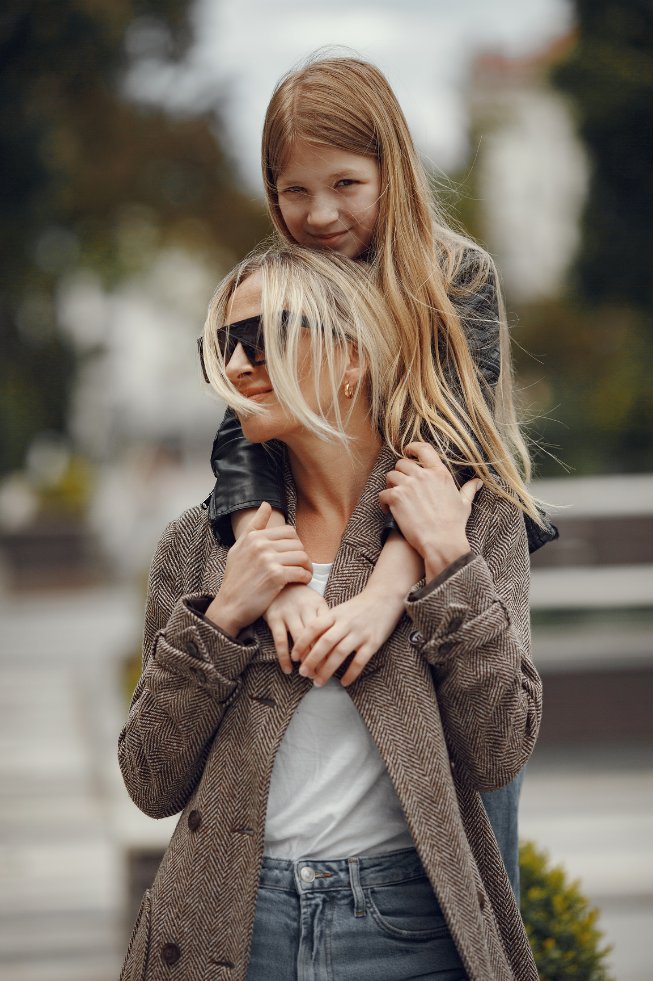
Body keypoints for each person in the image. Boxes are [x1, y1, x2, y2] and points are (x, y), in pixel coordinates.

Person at [118, 243, 542, 980]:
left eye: (262, 337)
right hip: (232, 926)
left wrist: (449, 565)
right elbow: (150, 780)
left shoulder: (472, 522)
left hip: (413, 928)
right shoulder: (200, 541)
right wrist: (220, 621)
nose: (237, 365)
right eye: (221, 346)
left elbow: (497, 751)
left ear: (351, 357)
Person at [204, 54, 557, 899]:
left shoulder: (454, 277)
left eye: (345, 184)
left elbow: (450, 448)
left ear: (391, 170)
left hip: (443, 559)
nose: (320, 214)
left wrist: (385, 592)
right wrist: (276, 570)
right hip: (322, 555)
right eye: (294, 190)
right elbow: (240, 438)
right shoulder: (280, 289)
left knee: (476, 820)